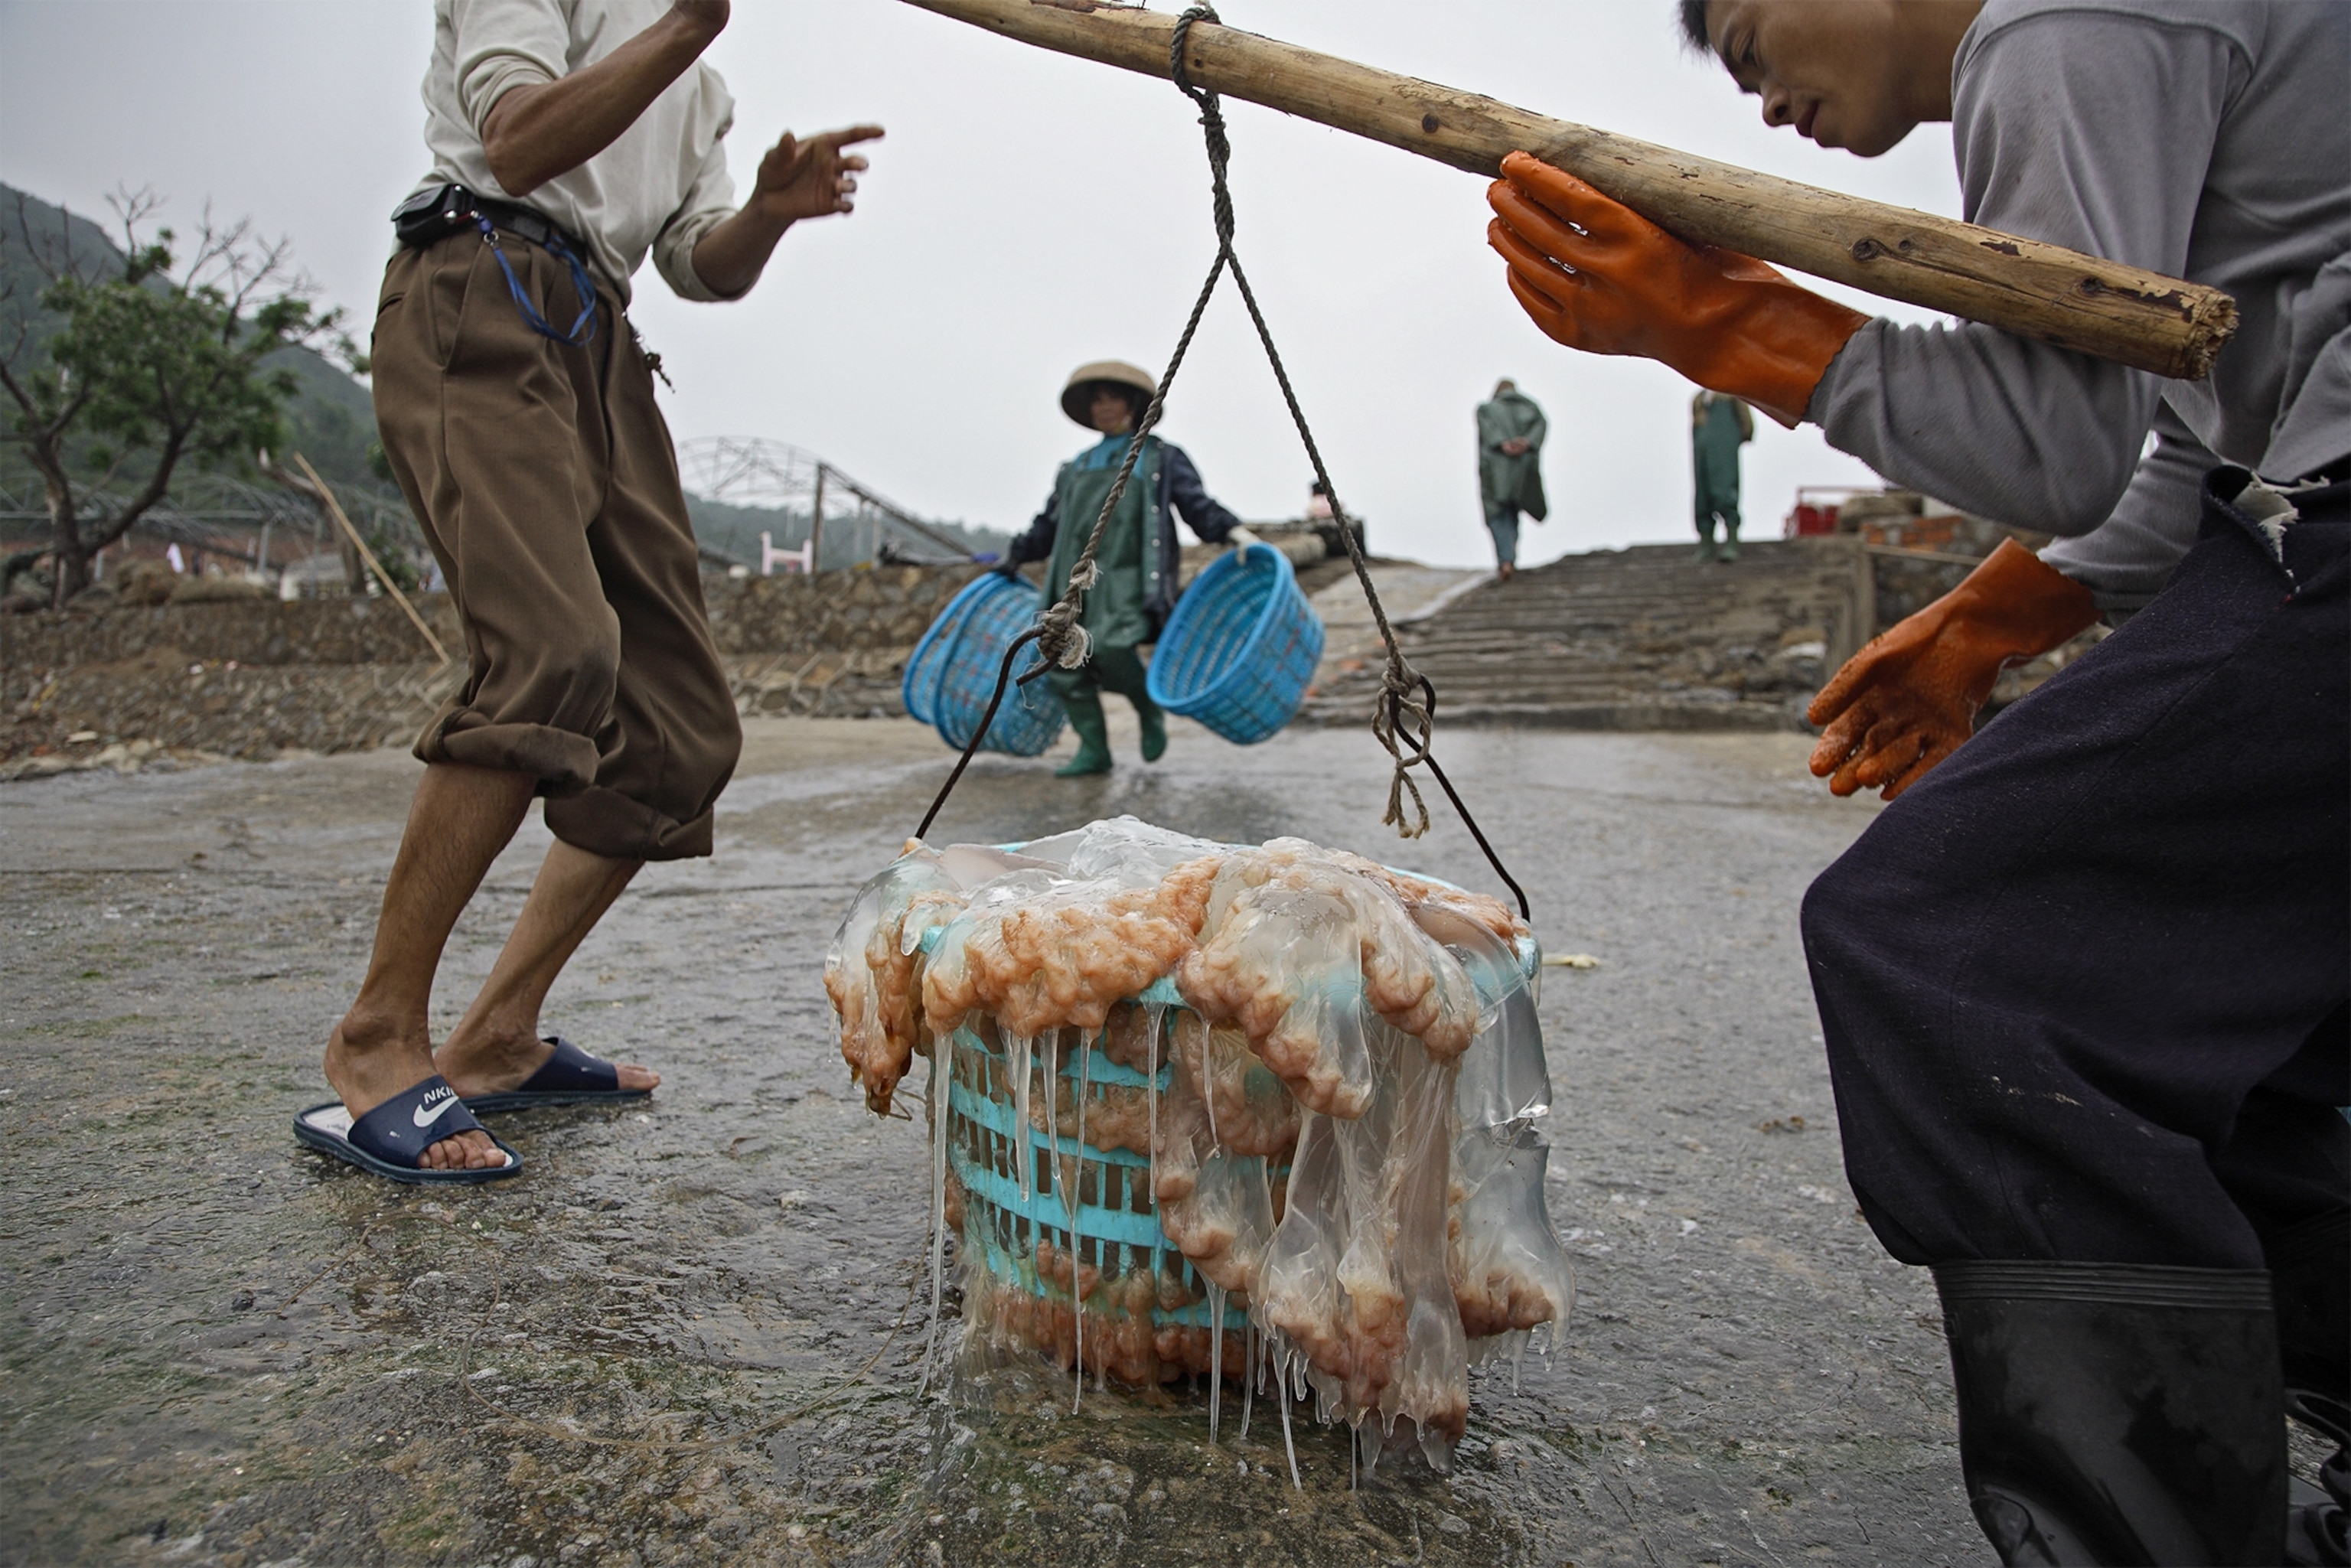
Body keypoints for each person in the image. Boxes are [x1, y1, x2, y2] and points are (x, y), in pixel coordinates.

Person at [1486, 2, 2345, 1562]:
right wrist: (1986, 620)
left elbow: (2062, 435)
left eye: (1749, 37)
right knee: (2227, 1007)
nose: (1759, 99)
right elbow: (2183, 417)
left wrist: (1728, 323)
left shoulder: (2057, 21)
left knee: (1955, 951)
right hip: (2300, 498)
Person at [295, 0, 882, 1182]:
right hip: (479, 282)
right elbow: (515, 143)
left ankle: (497, 1033)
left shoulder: (700, 87)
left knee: (678, 734)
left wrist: (765, 213)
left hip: (600, 335)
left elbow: (696, 265)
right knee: (552, 651)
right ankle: (374, 1036)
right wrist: (685, 25)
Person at [1000, 360, 1243, 778]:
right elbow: (1050, 524)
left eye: (1112, 397)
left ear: (1133, 403)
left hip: (1126, 576)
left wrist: (1233, 530)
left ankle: (1146, 705)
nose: (1104, 407)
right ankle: (1094, 748)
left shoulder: (1160, 456)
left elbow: (1195, 504)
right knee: (1059, 660)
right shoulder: (1075, 466)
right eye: (1096, 400)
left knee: (1110, 647)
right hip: (1071, 580)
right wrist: (1017, 554)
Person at [1475, 378, 1547, 579]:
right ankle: (1510, 558)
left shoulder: (1486, 409)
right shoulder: (1531, 407)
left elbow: (1490, 434)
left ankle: (1505, 561)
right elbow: (1541, 425)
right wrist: (1526, 443)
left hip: (1495, 473)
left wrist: (1504, 444)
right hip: (1521, 472)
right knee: (1513, 515)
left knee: (1497, 516)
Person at [1690, 390, 1754, 562]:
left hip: (1723, 450)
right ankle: (1706, 544)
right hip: (1702, 453)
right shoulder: (1699, 399)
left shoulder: (1731, 395)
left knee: (1725, 491)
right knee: (1702, 496)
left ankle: (1731, 542)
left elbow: (1747, 426)